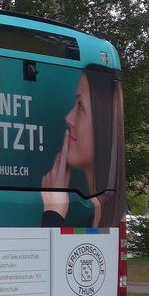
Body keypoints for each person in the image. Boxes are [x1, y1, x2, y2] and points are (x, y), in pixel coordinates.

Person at [41, 66, 122, 227]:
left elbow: (52, 253)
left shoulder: (114, 219)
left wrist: (53, 213)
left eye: (80, 107)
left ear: (104, 122)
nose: (68, 118)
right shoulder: (96, 219)